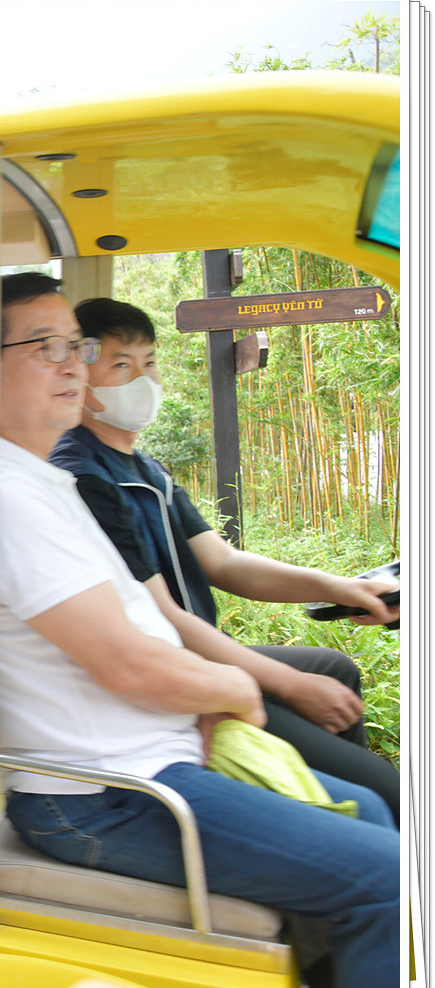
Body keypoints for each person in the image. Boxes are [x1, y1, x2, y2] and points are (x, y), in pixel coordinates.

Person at [0, 272, 399, 988]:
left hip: (148, 755)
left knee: (368, 810)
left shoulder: (47, 483)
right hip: (105, 794)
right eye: (44, 346)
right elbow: (132, 663)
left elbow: (194, 585)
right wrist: (236, 687)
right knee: (391, 873)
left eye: (77, 346)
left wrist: (331, 594)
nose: (71, 365)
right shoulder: (17, 494)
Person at [49, 295, 399, 823]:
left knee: (333, 669)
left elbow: (223, 563)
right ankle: (357, 818)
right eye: (121, 365)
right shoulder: (85, 476)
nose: (143, 380)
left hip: (193, 654)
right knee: (384, 788)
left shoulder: (146, 469)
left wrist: (340, 587)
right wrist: (289, 684)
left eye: (149, 362)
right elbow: (164, 618)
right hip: (168, 672)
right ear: (80, 372)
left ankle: (335, 804)